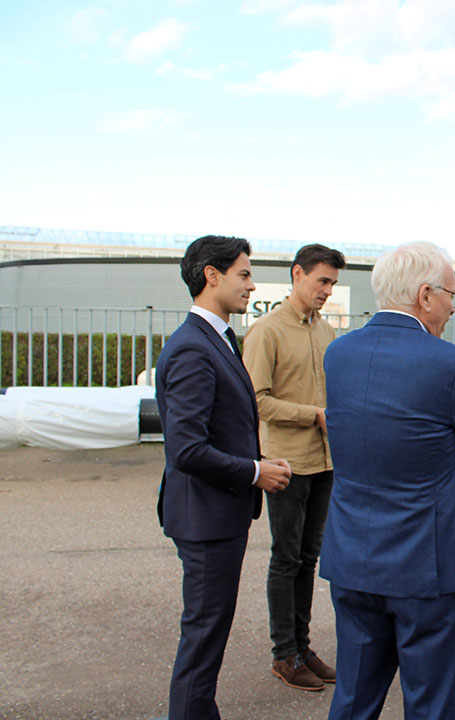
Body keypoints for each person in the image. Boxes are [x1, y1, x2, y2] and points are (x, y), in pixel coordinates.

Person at [319, 241, 455, 720]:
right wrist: (454, 440)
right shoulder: (449, 362)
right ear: (425, 295)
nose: (450, 307)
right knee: (431, 702)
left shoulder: (338, 354)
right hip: (427, 560)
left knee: (354, 698)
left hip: (353, 553)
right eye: (450, 295)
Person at [156, 235, 293, 720]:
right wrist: (255, 472)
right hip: (207, 518)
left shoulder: (216, 338)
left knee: (208, 633)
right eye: (244, 274)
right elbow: (187, 449)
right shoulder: (194, 348)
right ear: (211, 276)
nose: (252, 285)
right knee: (203, 636)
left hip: (216, 513)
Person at [242, 243, 345, 691]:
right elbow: (257, 400)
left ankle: (302, 648)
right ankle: (284, 654)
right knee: (286, 559)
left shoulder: (324, 331)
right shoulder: (266, 331)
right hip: (286, 462)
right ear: (297, 274)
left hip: (324, 461)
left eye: (333, 284)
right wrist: (314, 415)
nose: (327, 290)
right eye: (322, 280)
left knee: (308, 558)